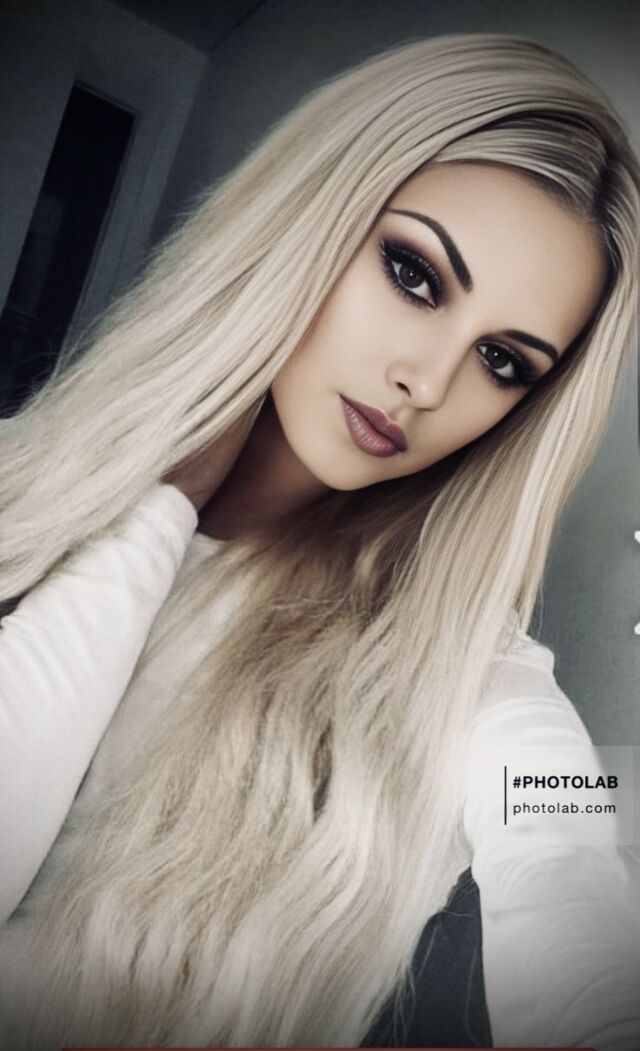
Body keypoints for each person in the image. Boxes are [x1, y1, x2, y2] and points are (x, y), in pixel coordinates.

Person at [0, 30, 639, 1051]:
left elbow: (567, 855)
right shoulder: (21, 479)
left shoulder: (470, 670)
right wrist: (159, 503)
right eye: (414, 275)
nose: (427, 382)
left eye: (503, 363)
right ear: (313, 216)